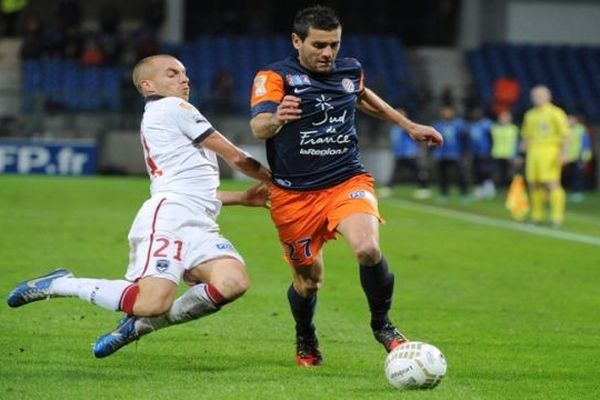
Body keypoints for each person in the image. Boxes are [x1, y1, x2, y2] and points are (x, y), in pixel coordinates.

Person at [7, 54, 272, 358]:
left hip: (198, 220)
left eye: (184, 73)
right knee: (151, 302)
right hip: (170, 218)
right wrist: (277, 181)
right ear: (148, 85)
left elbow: (190, 188)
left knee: (233, 282)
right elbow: (237, 158)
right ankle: (61, 283)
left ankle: (139, 326)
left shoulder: (166, 115)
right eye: (172, 74)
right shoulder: (173, 107)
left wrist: (242, 198)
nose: (184, 79)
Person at [249, 5, 443, 367]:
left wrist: (409, 125)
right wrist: (277, 118)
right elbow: (258, 127)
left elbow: (362, 95)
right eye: (319, 45)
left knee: (367, 248)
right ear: (297, 41)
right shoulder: (275, 77)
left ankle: (382, 325)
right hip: (294, 194)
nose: (328, 53)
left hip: (345, 179)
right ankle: (305, 334)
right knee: (309, 282)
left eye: (334, 45)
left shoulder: (349, 68)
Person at [521, 85, 569, 228]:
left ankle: (557, 217)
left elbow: (565, 135)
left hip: (550, 151)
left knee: (552, 183)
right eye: (535, 96)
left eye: (541, 95)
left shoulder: (556, 113)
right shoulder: (530, 115)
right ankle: (537, 215)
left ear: (548, 97)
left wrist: (564, 153)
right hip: (533, 152)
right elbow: (526, 136)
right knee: (534, 183)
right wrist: (521, 152)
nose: (537, 98)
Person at [380, 108, 431, 199]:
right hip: (399, 154)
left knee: (417, 171)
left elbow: (416, 138)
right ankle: (389, 188)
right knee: (396, 172)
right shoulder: (394, 129)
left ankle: (424, 188)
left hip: (409, 154)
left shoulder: (407, 128)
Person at [431, 105, 469, 203]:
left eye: (449, 112)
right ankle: (443, 194)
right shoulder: (438, 125)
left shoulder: (459, 125)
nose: (447, 114)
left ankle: (464, 194)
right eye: (445, 112)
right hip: (441, 154)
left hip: (455, 154)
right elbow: (432, 140)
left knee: (460, 175)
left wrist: (463, 152)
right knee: (443, 176)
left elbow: (464, 139)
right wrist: (433, 151)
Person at [466, 106, 494, 199]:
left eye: (478, 113)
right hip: (475, 152)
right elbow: (469, 140)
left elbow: (492, 137)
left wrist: (491, 149)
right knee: (476, 171)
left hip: (485, 151)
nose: (476, 115)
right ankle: (479, 189)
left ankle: (488, 187)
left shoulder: (487, 124)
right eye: (474, 113)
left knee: (485, 170)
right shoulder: (471, 125)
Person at [562, 114, 592, 202]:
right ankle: (568, 191)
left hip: (578, 157)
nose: (569, 121)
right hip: (566, 157)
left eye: (571, 119)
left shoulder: (580, 129)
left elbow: (586, 143)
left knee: (577, 175)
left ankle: (577, 192)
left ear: (575, 119)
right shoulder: (564, 129)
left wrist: (584, 156)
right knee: (568, 175)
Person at [491, 110, 520, 188]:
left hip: (509, 155)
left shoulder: (514, 129)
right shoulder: (494, 128)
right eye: (502, 118)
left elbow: (517, 143)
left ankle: (509, 188)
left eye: (505, 118)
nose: (503, 119)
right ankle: (499, 189)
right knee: (498, 173)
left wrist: (516, 155)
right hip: (497, 154)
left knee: (509, 174)